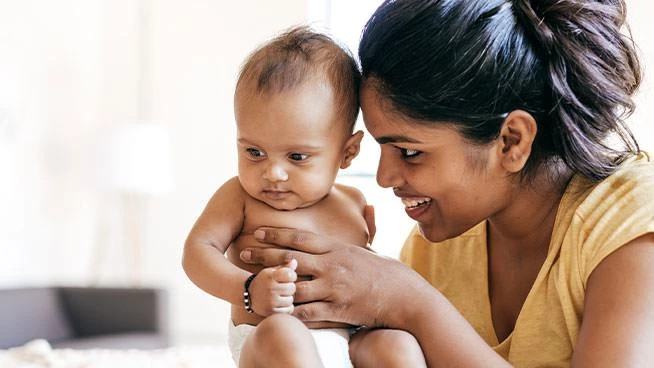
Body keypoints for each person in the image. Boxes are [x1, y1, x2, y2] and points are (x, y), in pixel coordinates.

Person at [235, 0, 654, 367]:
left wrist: (414, 305)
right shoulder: (433, 250)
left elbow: (413, 304)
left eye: (410, 152)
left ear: (511, 141)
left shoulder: (629, 224)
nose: (384, 178)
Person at [182, 26, 426, 368]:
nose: (273, 173)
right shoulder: (239, 196)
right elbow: (197, 253)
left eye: (296, 157)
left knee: (397, 345)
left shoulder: (353, 203)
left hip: (348, 340)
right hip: (267, 340)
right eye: (254, 151)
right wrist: (249, 290)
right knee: (286, 333)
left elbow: (362, 275)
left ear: (347, 152)